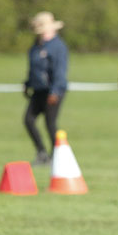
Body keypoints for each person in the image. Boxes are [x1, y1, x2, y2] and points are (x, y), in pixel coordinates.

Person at [24, 11, 69, 165]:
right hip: (38, 90)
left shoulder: (58, 47)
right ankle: (41, 152)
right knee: (28, 120)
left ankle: (57, 155)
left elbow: (59, 71)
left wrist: (55, 91)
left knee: (50, 124)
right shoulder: (35, 47)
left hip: (52, 91)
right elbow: (34, 69)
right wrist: (28, 83)